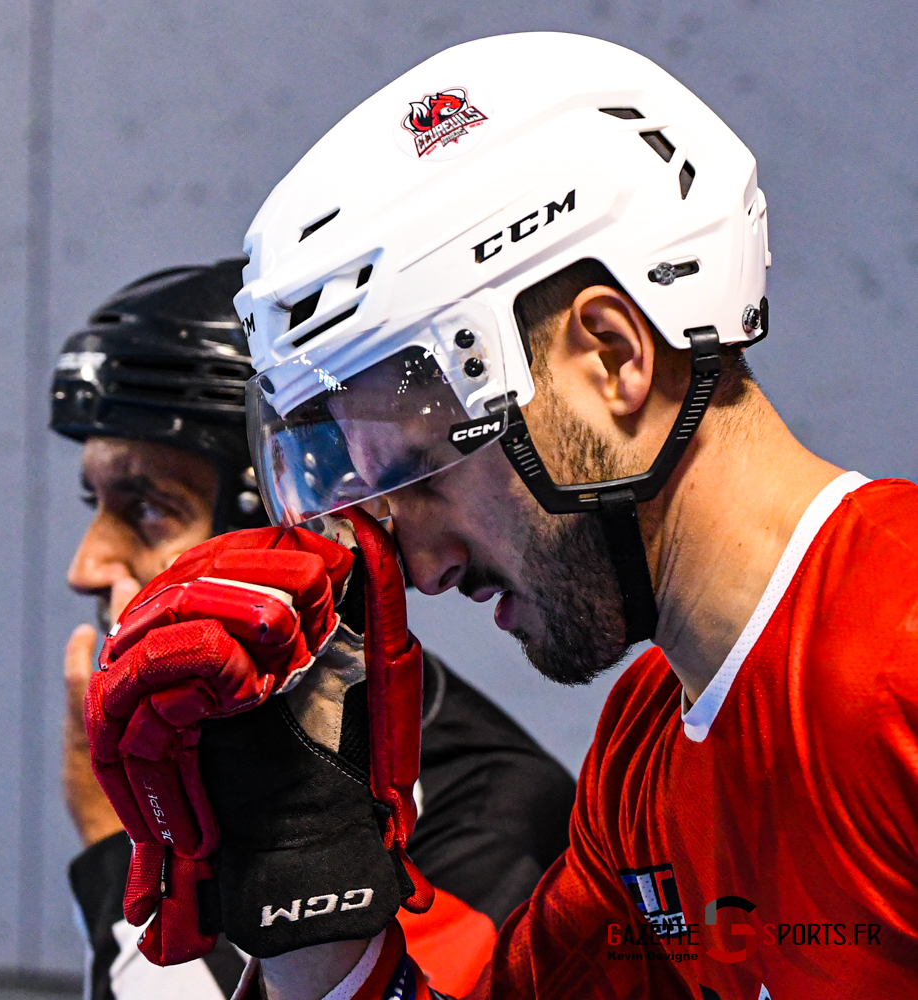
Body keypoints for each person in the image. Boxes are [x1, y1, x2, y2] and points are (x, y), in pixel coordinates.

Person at [88, 31, 918, 1000]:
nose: (425, 567)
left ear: (611, 357)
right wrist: (306, 891)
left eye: (425, 469)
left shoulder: (898, 655)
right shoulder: (644, 749)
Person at [50, 259, 576, 1000]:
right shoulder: (190, 762)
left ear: (284, 530)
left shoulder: (493, 813)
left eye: (147, 508)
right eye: (93, 504)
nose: (87, 563)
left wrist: (117, 839)